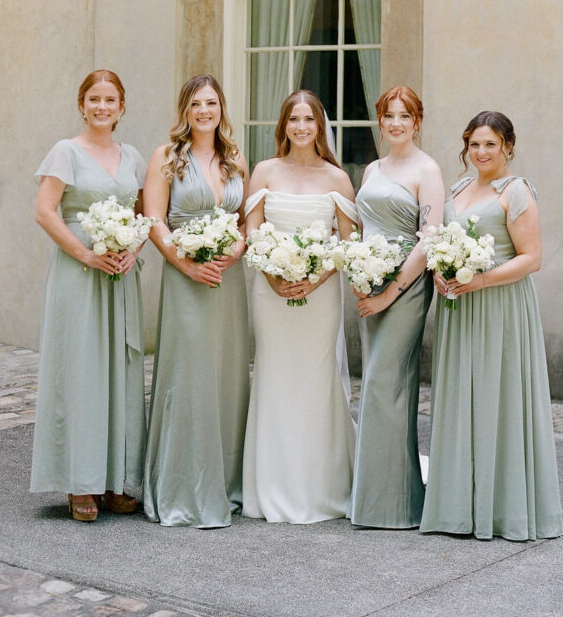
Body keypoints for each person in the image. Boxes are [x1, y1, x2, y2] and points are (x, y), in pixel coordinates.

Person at [420, 111, 563, 541]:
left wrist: (479, 279)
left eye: (490, 144)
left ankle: (503, 509)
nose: (481, 152)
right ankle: (458, 507)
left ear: (507, 147)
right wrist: (441, 272)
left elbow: (532, 257)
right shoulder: (462, 186)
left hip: (498, 307)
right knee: (461, 398)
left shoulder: (516, 191)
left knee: (495, 398)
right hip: (458, 308)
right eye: (474, 144)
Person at [31, 70, 147, 522]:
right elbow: (45, 211)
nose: (102, 107)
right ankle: (80, 482)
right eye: (94, 99)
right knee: (82, 371)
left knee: (118, 371)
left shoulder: (132, 155)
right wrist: (86, 253)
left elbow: (143, 213)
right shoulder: (66, 151)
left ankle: (114, 480)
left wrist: (131, 252)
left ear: (122, 107)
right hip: (80, 273)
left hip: (120, 273)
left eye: (111, 99)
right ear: (82, 105)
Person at [242, 90, 358, 523]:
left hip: (320, 295)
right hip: (269, 293)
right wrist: (273, 275)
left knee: (315, 379)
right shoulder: (264, 171)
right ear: (284, 125)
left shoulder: (337, 178)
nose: (302, 126)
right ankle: (269, 487)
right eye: (294, 118)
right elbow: (252, 231)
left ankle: (320, 487)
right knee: (274, 376)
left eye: (310, 119)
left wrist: (316, 277)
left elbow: (349, 243)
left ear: (320, 126)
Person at [143, 74, 250, 527]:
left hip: (228, 280)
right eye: (196, 104)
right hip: (187, 279)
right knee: (187, 376)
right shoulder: (166, 158)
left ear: (221, 108)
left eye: (211, 103)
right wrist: (187, 264)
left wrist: (234, 252)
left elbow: (247, 222)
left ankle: (224, 483)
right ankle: (181, 487)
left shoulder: (235, 159)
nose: (204, 111)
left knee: (226, 375)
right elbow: (154, 221)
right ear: (185, 111)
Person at [349, 87, 444, 528]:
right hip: (371, 284)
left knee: (390, 384)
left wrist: (390, 292)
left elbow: (428, 238)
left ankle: (398, 505)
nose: (396, 123)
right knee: (374, 383)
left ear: (417, 121)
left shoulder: (428, 170)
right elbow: (364, 225)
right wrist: (360, 273)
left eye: (404, 115)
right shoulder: (373, 168)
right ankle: (374, 499)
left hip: (405, 289)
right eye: (389, 115)